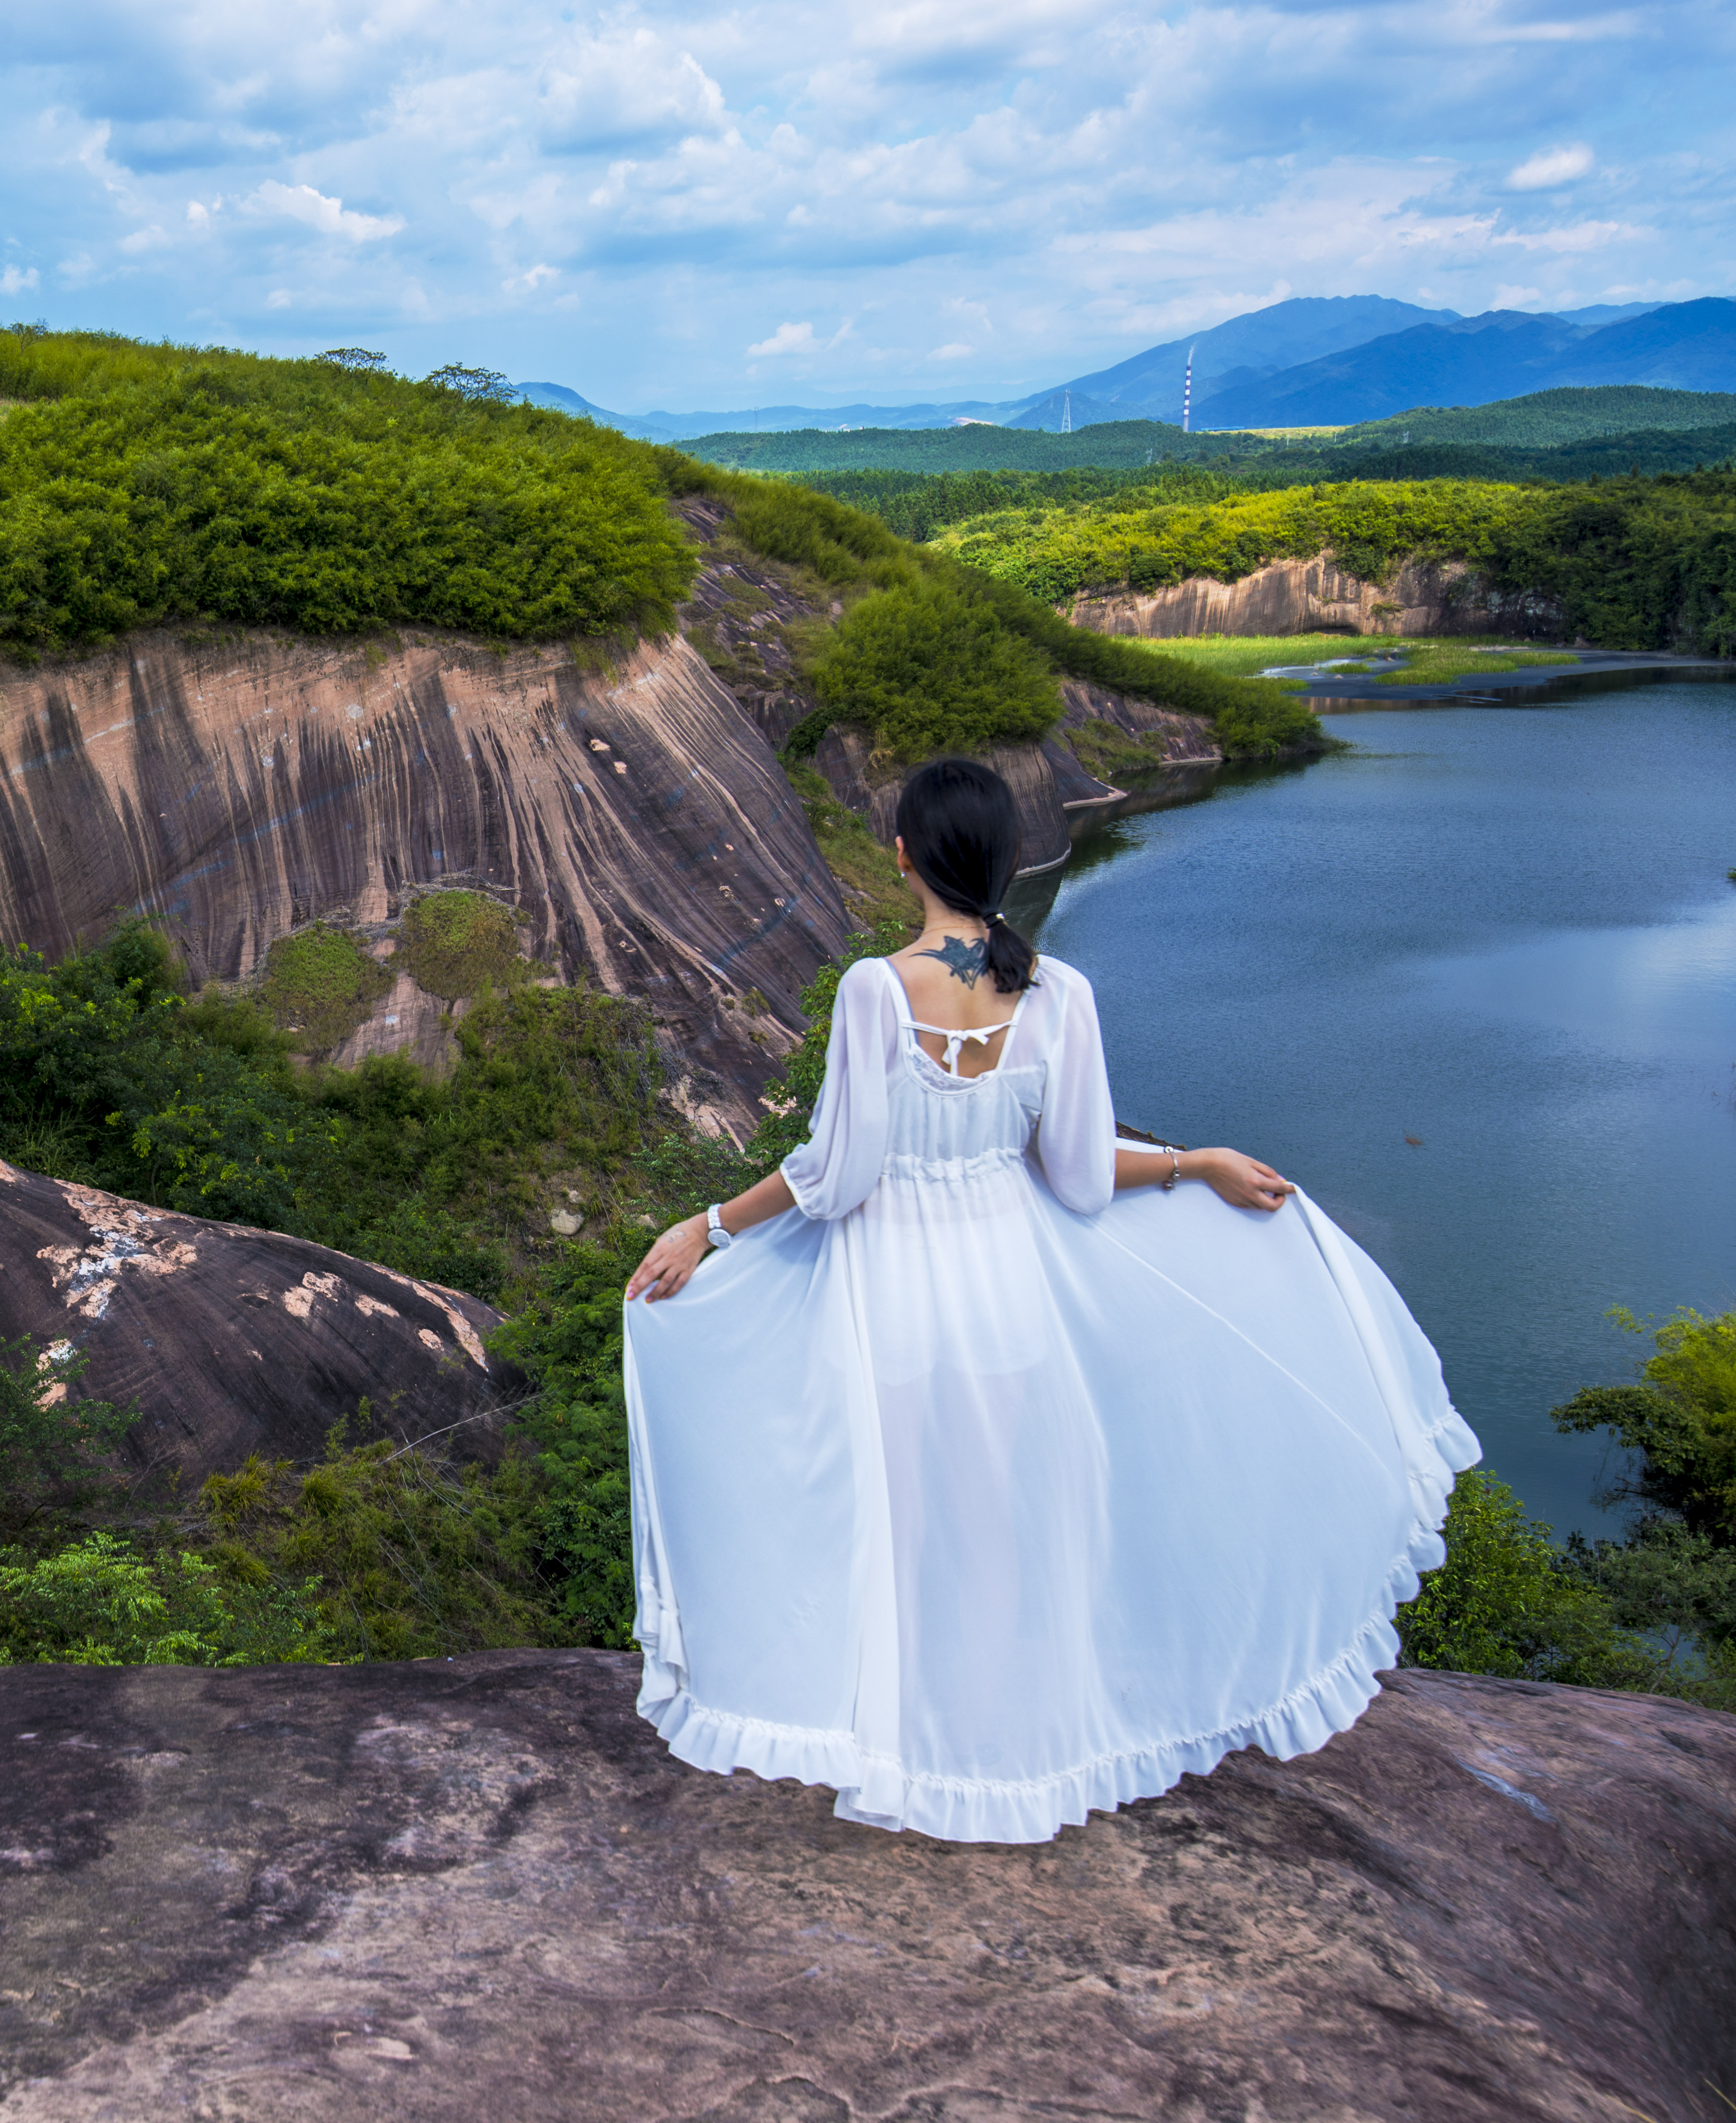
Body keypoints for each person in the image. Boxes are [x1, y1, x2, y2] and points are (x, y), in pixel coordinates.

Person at [619, 757, 1478, 1844]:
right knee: (1006, 1528)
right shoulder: (1057, 991)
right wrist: (1195, 1163)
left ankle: (920, 1742)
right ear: (1008, 860)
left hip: (893, 1298)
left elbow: (834, 1180)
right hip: (1010, 1291)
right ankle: (1021, 1741)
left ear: (901, 856)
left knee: (912, 1523)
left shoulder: (877, 991)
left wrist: (709, 1223)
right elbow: (1075, 1174)